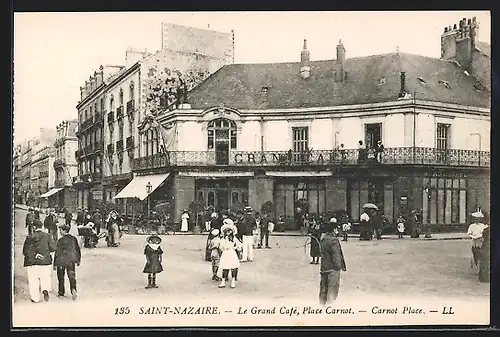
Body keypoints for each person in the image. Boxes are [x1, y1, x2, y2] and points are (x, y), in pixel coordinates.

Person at [22, 219, 57, 303]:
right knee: (45, 278)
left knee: (33, 280)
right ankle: (45, 290)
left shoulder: (30, 237)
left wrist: (35, 255)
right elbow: (53, 248)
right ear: (42, 227)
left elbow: (25, 251)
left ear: (34, 227)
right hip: (45, 261)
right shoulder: (48, 236)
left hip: (33, 262)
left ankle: (35, 298)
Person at [319, 219, 347, 306]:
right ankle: (330, 309)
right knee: (332, 291)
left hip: (324, 268)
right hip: (333, 269)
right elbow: (336, 255)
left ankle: (321, 307)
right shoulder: (334, 240)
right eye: (336, 229)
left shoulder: (323, 239)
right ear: (333, 230)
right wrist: (338, 267)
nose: (337, 231)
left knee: (323, 290)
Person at [53, 224, 81, 300]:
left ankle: (61, 292)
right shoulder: (73, 239)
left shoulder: (60, 240)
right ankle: (73, 289)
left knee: (61, 277)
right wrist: (78, 260)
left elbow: (57, 252)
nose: (59, 231)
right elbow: (77, 250)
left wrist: (55, 263)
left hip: (61, 261)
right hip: (71, 261)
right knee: (71, 276)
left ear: (64, 230)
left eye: (60, 230)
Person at [218, 222, 243, 288]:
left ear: (232, 231)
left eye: (229, 231)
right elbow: (221, 247)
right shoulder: (223, 239)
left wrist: (235, 248)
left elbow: (239, 244)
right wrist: (223, 248)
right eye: (226, 231)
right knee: (225, 268)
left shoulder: (234, 238)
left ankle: (233, 281)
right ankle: (223, 281)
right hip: (225, 253)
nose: (228, 232)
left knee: (233, 267)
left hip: (232, 253)